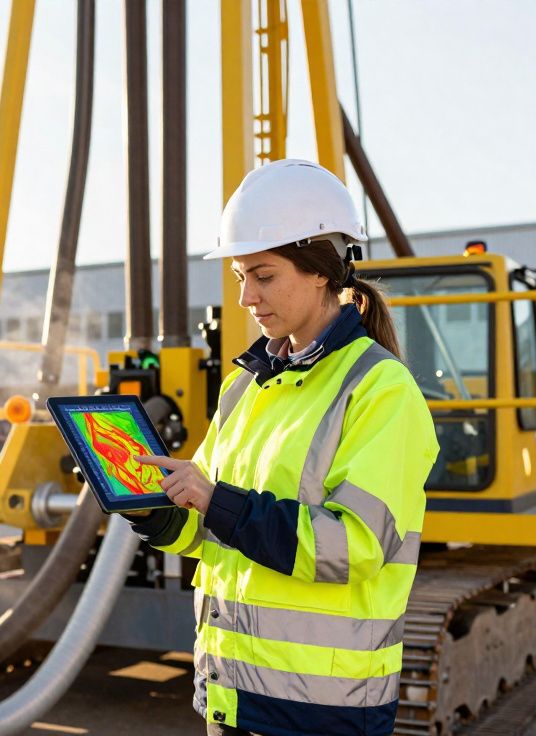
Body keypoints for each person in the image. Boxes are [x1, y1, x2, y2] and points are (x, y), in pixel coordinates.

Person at [127, 159, 439, 736]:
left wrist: (218, 500)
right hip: (230, 699)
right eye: (241, 275)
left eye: (263, 276)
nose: (246, 296)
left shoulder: (380, 390)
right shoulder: (245, 386)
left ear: (321, 271)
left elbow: (351, 547)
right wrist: (147, 505)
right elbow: (204, 530)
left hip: (319, 713)